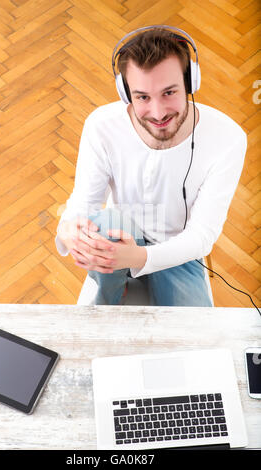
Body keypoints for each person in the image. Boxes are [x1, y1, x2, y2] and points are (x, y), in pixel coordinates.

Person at [55, 25, 247, 306]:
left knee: (193, 342)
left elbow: (202, 236)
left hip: (178, 251)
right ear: (125, 92)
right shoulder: (101, 125)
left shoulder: (228, 138)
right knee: (106, 224)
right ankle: (112, 291)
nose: (157, 113)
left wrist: (139, 258)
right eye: (142, 97)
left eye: (169, 93)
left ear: (190, 83)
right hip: (119, 235)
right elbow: (84, 204)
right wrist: (67, 231)